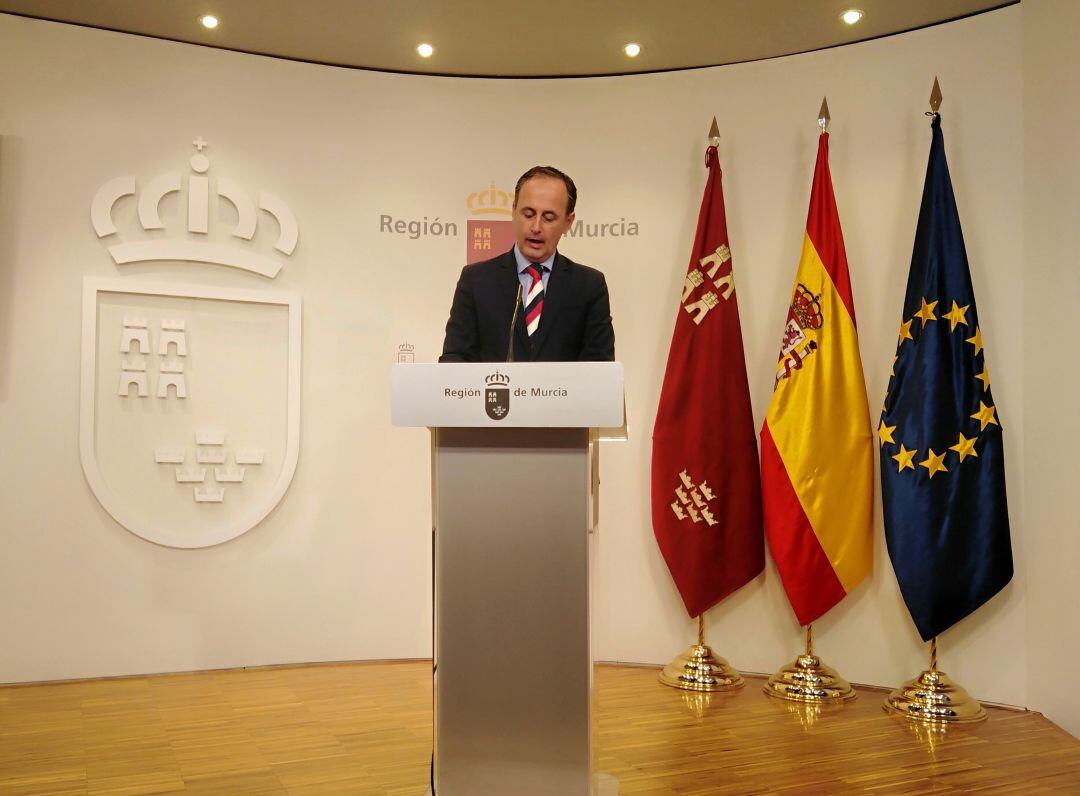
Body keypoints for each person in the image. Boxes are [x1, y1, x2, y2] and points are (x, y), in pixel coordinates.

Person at [439, 165, 615, 362]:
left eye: (549, 218)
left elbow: (600, 369)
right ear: (513, 211)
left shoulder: (588, 286)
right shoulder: (476, 280)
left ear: (568, 222)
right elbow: (455, 360)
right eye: (528, 214)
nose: (536, 227)